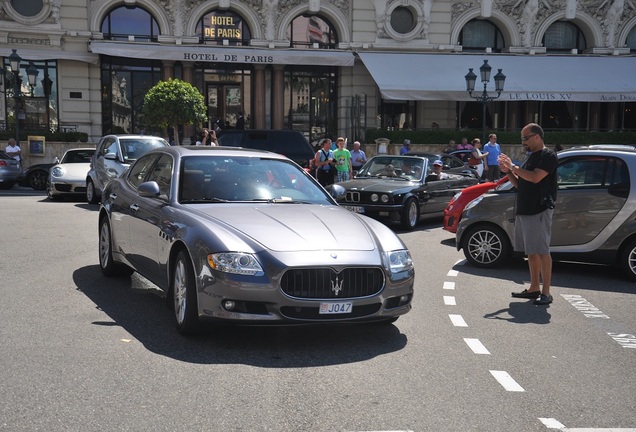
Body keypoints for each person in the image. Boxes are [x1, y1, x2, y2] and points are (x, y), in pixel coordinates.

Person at [498, 123, 558, 306]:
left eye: (525, 138)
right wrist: (508, 171)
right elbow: (520, 184)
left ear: (537, 137)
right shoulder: (531, 157)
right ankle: (534, 288)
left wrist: (513, 167)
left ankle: (546, 292)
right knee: (531, 251)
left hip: (538, 209)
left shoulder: (548, 156)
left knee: (542, 251)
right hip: (526, 209)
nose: (523, 142)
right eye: (522, 138)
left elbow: (535, 177)